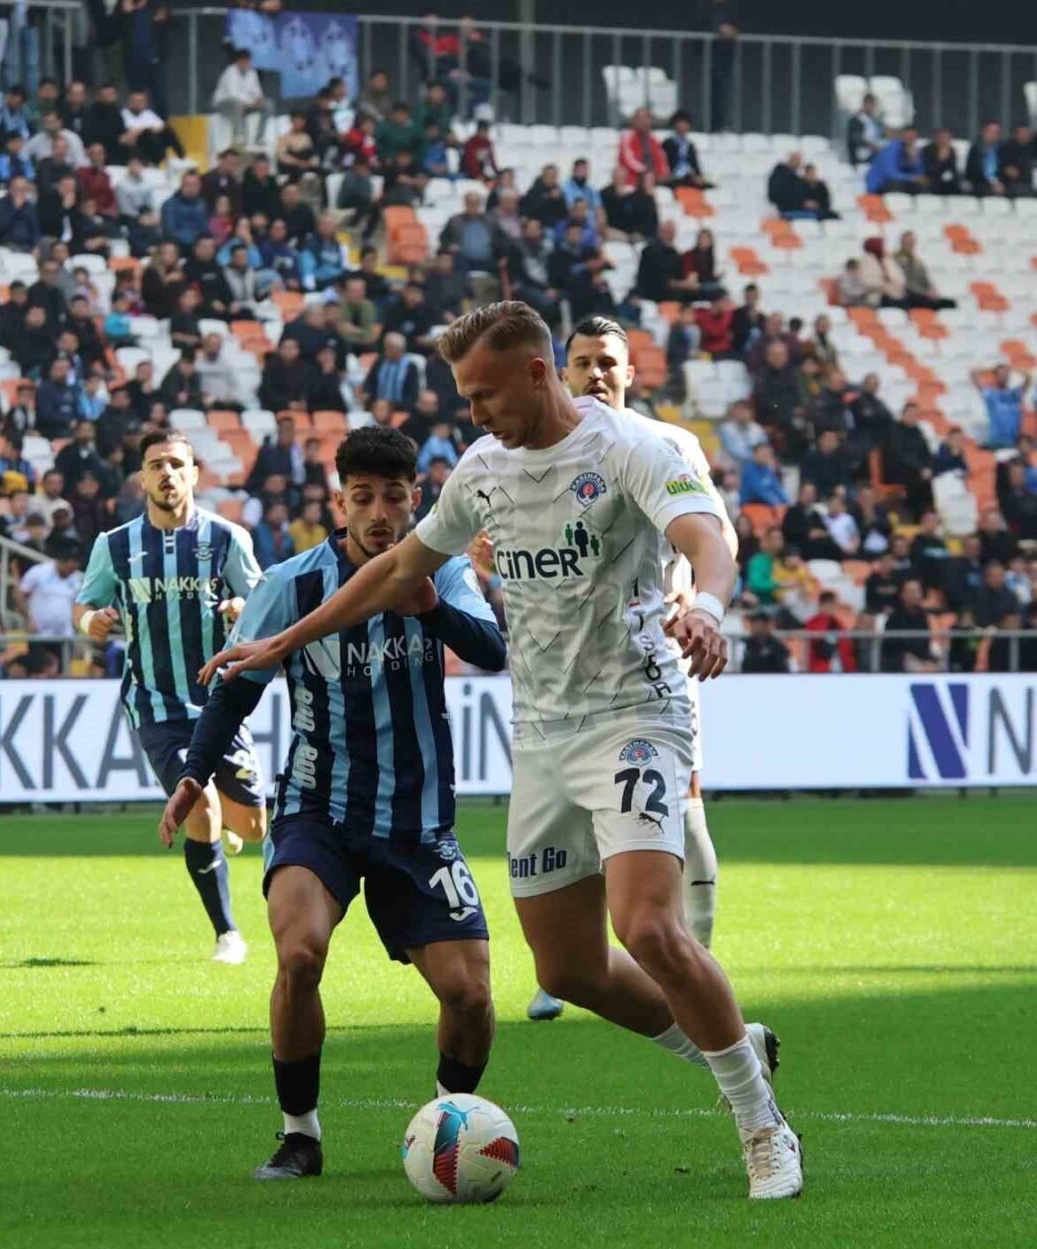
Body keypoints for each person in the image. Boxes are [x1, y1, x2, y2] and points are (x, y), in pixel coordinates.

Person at [202, 302, 801, 1201]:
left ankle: (762, 1126)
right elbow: (397, 569)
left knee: (646, 926)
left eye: (483, 393)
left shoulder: (630, 449)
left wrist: (709, 609)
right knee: (567, 969)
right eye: (464, 397)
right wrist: (284, 641)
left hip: (636, 713)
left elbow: (706, 540)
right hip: (543, 736)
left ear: (536, 371)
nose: (474, 413)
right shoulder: (483, 471)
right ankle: (730, 1043)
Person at [157, 427, 506, 1180]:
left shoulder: (442, 571)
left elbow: (492, 649)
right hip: (319, 809)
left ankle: (445, 1125)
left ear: (415, 500)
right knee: (299, 954)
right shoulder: (290, 583)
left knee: (472, 995)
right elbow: (236, 689)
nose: (379, 513)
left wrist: (431, 608)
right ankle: (300, 1135)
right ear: (339, 501)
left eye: (394, 497)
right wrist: (194, 773)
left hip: (417, 822)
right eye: (364, 497)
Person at [535, 316, 739, 1023]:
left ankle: (694, 958)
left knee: (681, 797)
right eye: (582, 361)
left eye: (607, 362)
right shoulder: (537, 448)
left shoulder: (667, 443)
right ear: (562, 372)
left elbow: (717, 531)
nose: (595, 373)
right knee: (575, 813)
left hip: (654, 654)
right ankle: (577, 959)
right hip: (567, 668)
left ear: (630, 373)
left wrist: (696, 597)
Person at [74, 430, 268, 965]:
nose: (167, 473)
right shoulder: (115, 545)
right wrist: (91, 622)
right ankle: (227, 933)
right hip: (155, 703)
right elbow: (83, 605)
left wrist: (241, 608)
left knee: (254, 827)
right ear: (142, 477)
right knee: (198, 803)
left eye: (177, 464)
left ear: (194, 475)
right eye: (156, 464)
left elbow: (261, 601)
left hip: (219, 701)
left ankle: (226, 826)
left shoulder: (226, 538)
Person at [213, 49, 272, 147]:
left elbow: (257, 92)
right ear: (238, 62)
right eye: (243, 62)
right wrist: (250, 102)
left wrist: (258, 99)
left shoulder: (252, 73)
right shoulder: (230, 72)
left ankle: (259, 137)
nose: (246, 64)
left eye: (248, 62)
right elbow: (233, 94)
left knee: (268, 104)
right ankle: (238, 136)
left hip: (247, 104)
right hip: (224, 104)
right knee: (237, 104)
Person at [973, 365, 1029, 450]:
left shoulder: (1015, 393)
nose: (1003, 376)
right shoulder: (990, 394)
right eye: (1000, 374)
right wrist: (991, 369)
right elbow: (973, 374)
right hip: (997, 441)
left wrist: (1013, 368)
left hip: (1014, 440)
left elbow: (1028, 378)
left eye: (1006, 374)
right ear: (996, 376)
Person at [740, 607, 792, 673]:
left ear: (768, 626)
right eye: (756, 624)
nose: (759, 628)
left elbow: (784, 667)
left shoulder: (777, 646)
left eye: (762, 624)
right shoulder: (744, 644)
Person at [847, 92, 884, 167]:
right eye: (870, 104)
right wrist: (871, 146)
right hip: (861, 157)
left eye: (873, 105)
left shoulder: (874, 120)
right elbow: (856, 138)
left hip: (874, 154)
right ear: (864, 104)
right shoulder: (857, 119)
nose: (872, 107)